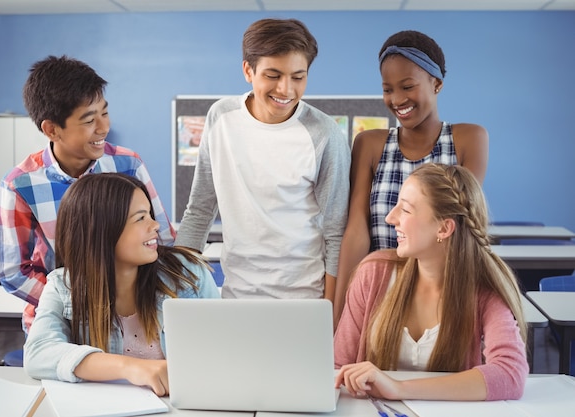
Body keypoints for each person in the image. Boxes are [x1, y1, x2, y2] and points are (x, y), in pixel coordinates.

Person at [175, 18, 350, 302]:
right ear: (248, 70)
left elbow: (336, 233)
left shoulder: (324, 133)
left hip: (305, 299)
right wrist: (174, 286)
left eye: (298, 77)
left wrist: (331, 314)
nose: (286, 89)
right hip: (237, 295)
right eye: (273, 75)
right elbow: (200, 209)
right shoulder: (220, 117)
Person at [0, 55, 175, 333]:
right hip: (61, 320)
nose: (103, 127)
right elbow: (13, 272)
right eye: (89, 120)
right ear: (52, 129)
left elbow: (163, 238)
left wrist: (127, 300)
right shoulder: (21, 184)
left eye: (104, 113)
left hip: (133, 315)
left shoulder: (128, 164)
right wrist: (74, 302)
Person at [333, 30, 489, 326]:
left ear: (437, 83)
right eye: (388, 89)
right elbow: (356, 230)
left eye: (407, 86)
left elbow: (461, 227)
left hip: (440, 295)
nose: (397, 99)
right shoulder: (369, 144)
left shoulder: (469, 138)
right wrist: (339, 312)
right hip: (377, 293)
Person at [334, 163, 527, 401]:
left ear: (444, 228)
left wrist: (400, 388)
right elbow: (337, 366)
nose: (390, 217)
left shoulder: (485, 288)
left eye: (405, 210)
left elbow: (510, 375)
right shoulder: (373, 273)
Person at [24, 173, 219, 395]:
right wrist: (130, 368)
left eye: (150, 215)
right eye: (140, 218)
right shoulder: (63, 285)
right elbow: (38, 353)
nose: (155, 225)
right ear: (101, 230)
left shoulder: (187, 272)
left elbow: (226, 346)